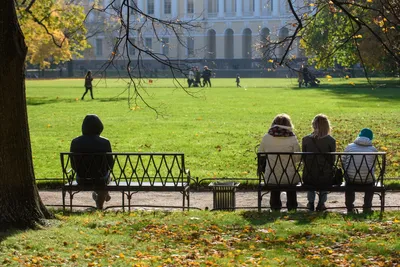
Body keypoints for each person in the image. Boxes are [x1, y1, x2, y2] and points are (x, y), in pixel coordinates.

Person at [258, 114, 301, 212]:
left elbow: (261, 154)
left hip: (271, 176)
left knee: (275, 178)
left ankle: (275, 206)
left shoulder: (267, 137)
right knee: (290, 181)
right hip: (289, 177)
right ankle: (292, 206)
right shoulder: (292, 138)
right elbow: (298, 158)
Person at [70, 114, 114, 209]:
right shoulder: (105, 142)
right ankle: (101, 201)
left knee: (103, 178)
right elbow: (110, 163)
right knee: (105, 178)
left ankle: (100, 195)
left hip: (82, 178)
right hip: (101, 178)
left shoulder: (75, 142)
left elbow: (73, 164)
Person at [302, 114, 336, 211]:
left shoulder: (306, 139)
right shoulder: (330, 140)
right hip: (325, 175)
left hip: (308, 175)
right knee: (325, 175)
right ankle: (321, 203)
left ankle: (311, 202)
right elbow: (332, 160)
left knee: (311, 174)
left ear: (313, 125)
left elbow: (304, 158)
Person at [342, 128, 378, 213]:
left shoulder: (349, 147)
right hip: (367, 179)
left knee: (349, 180)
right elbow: (374, 165)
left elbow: (343, 161)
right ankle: (367, 206)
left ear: (359, 136)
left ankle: (350, 207)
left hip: (351, 179)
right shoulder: (373, 149)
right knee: (371, 181)